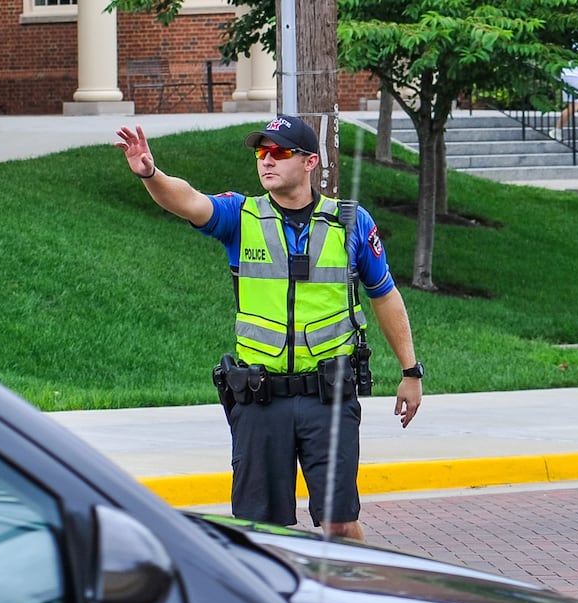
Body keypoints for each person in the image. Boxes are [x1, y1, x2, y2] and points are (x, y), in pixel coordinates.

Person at [114, 116, 422, 542]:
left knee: (339, 523)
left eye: (279, 152)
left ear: (310, 161)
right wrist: (151, 173)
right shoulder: (241, 215)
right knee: (260, 531)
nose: (267, 161)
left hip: (328, 399)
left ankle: (352, 598)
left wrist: (410, 371)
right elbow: (187, 200)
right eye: (261, 153)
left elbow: (384, 294)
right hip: (260, 399)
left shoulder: (350, 222)